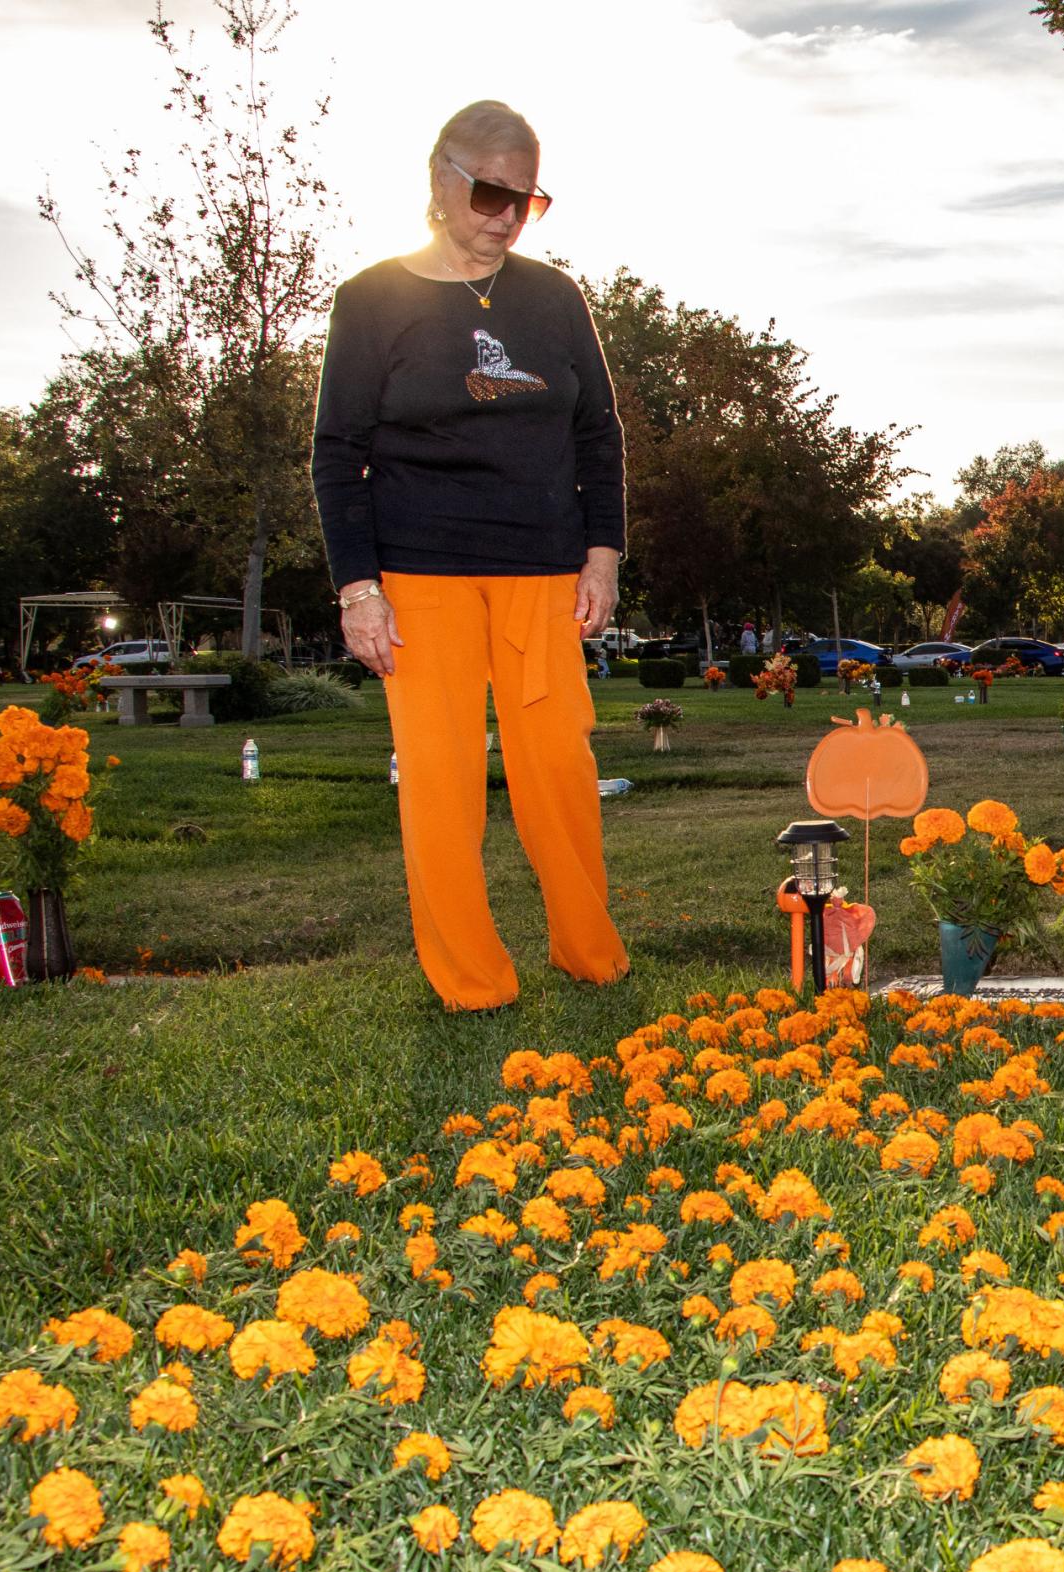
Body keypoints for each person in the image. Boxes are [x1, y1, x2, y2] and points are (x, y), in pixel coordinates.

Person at [311, 99, 629, 1012]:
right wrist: (357, 589)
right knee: (441, 784)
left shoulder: (555, 298)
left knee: (558, 771)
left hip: (544, 572)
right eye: (492, 191)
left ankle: (589, 952)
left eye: (527, 200)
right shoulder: (372, 301)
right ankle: (473, 981)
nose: (506, 214)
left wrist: (601, 554)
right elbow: (338, 452)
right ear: (440, 179)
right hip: (420, 576)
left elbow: (597, 432)